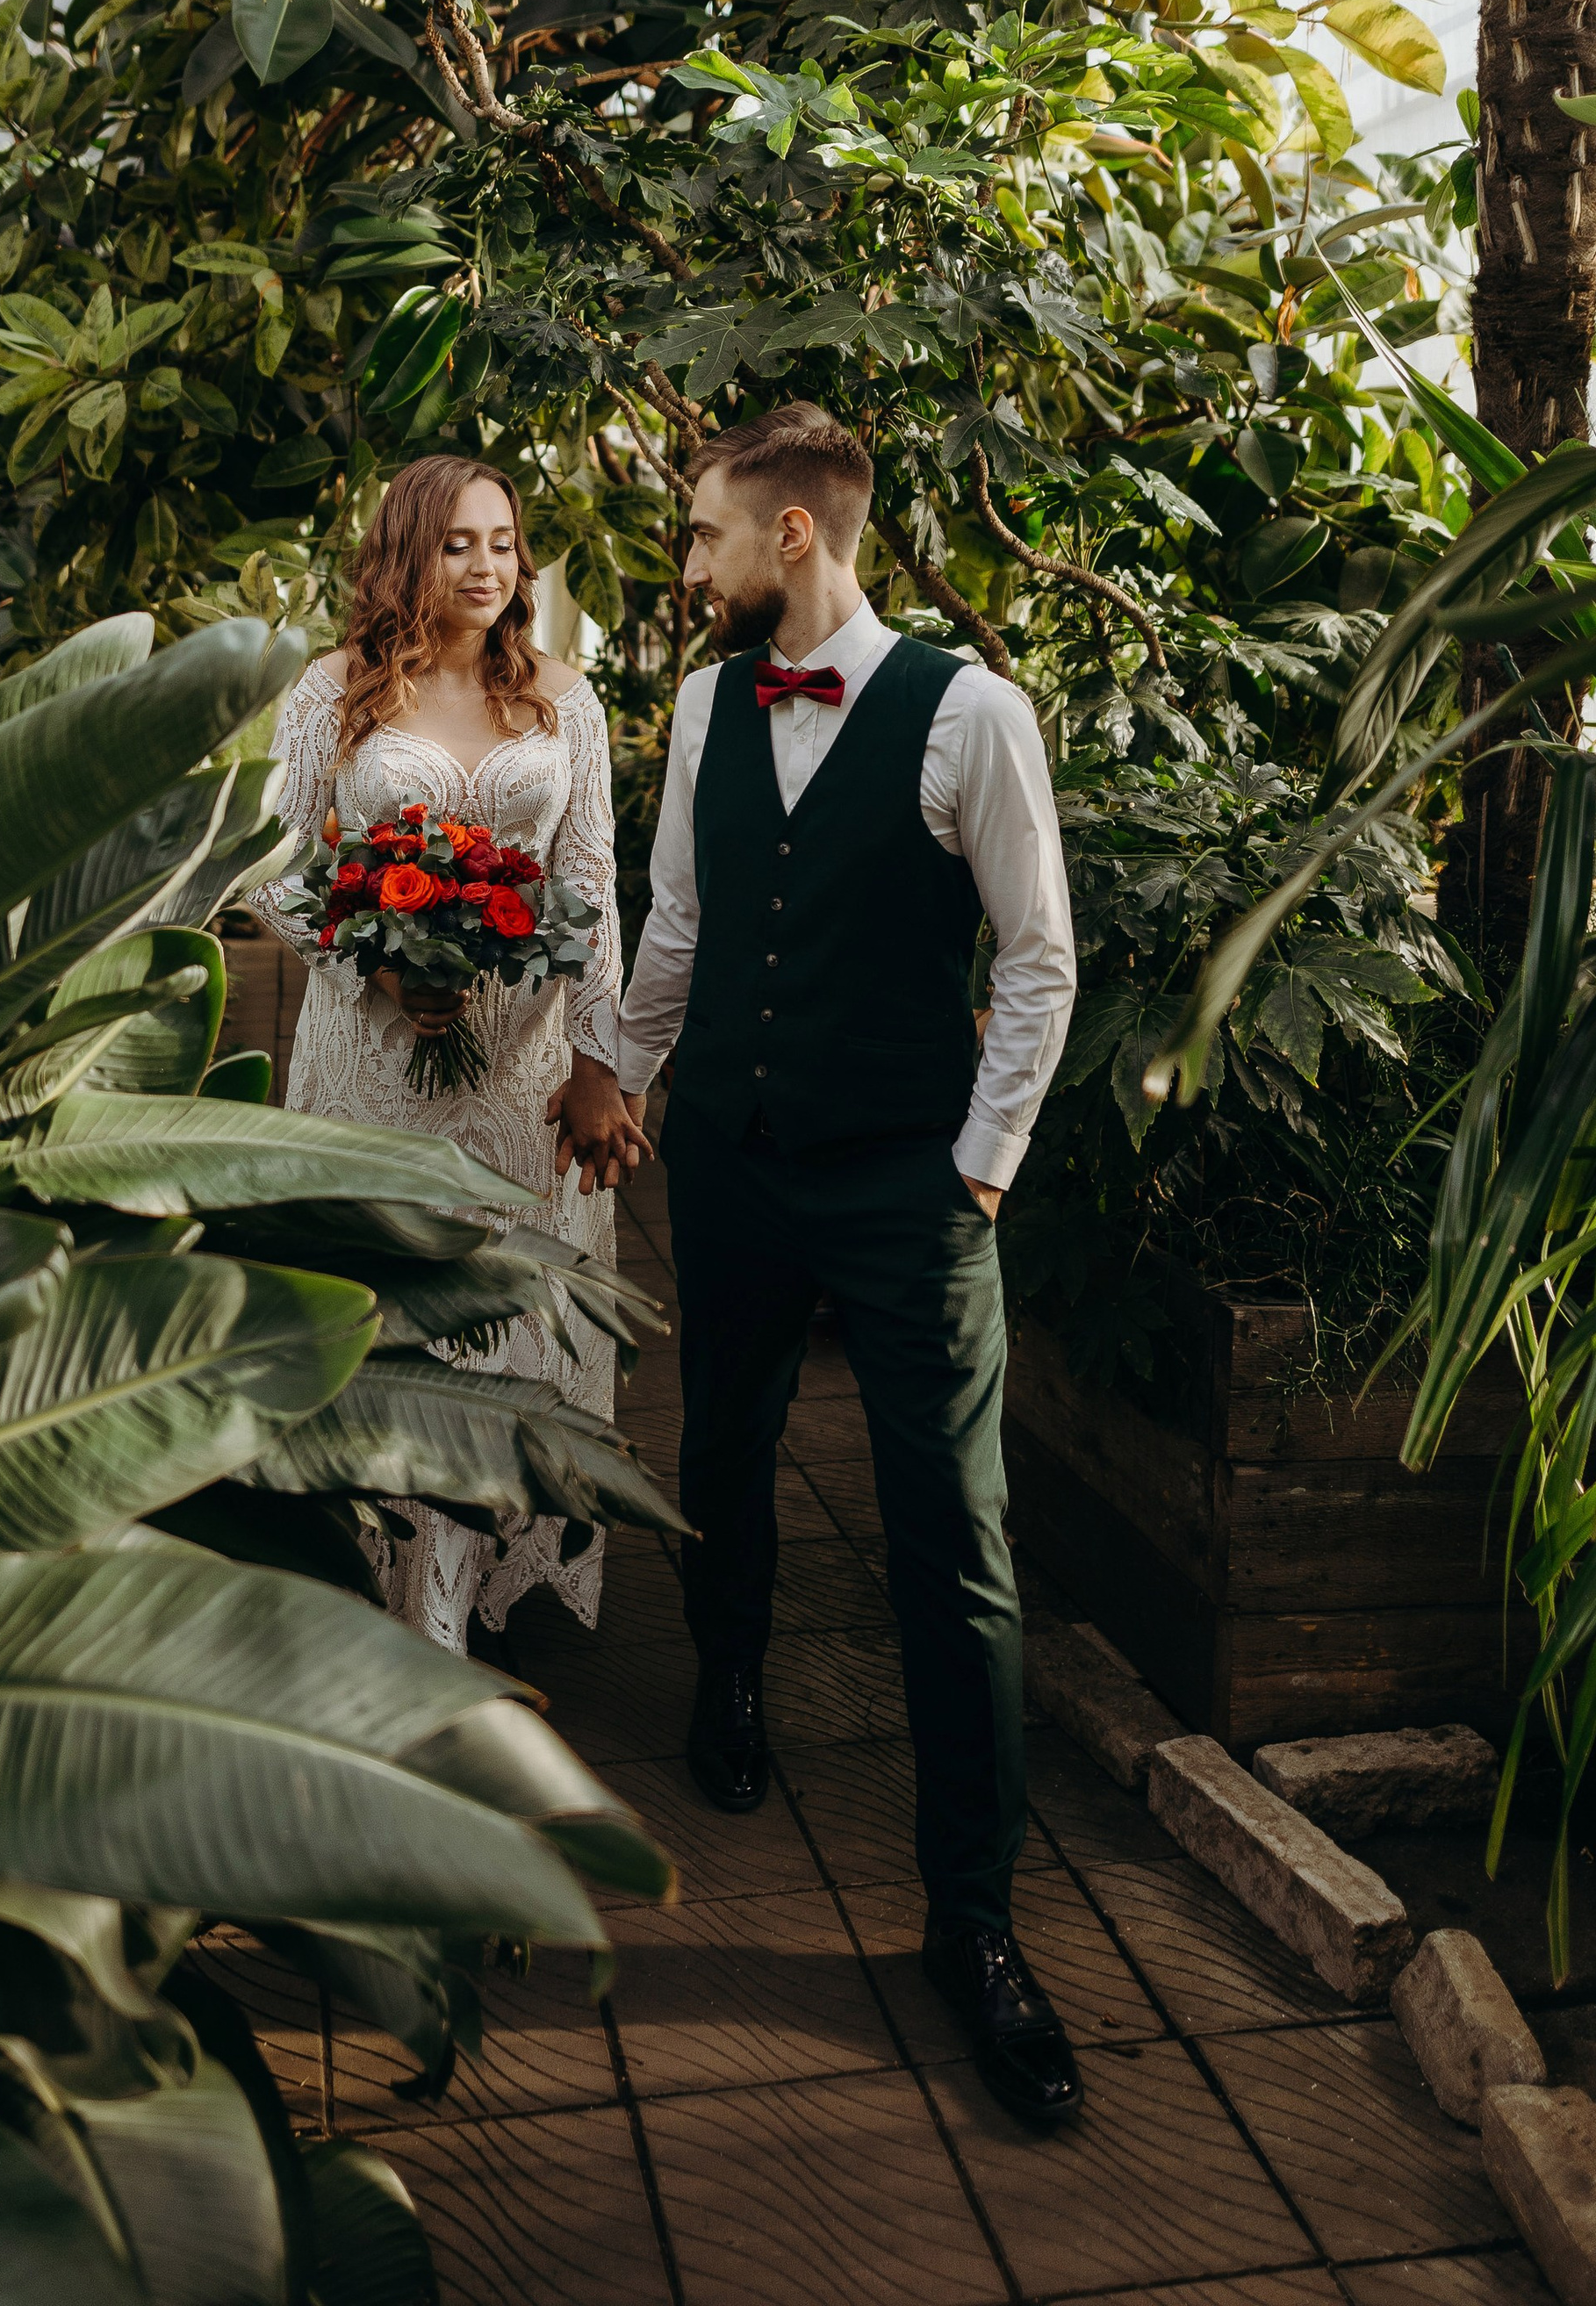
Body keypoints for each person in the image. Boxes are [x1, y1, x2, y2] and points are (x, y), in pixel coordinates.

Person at [614, 403, 1084, 2130]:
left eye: (705, 536)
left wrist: (975, 1173)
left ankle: (973, 1929)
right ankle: (727, 1674)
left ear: (790, 535)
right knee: (719, 1446)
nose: (692, 564)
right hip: (732, 1163)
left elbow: (1036, 964)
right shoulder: (694, 709)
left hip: (907, 1186)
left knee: (952, 1550)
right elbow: (675, 922)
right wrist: (618, 1069)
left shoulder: (971, 715)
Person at [253, 456, 647, 1652]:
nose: (487, 568)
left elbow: (592, 890)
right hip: (372, 1063)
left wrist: (599, 1065)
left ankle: (471, 1593)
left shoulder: (563, 702)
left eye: (503, 544)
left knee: (511, 1316)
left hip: (520, 1075)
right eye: (457, 545)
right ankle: (395, 1598)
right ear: (406, 555)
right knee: (398, 1320)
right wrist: (374, 964)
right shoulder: (333, 696)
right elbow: (271, 868)